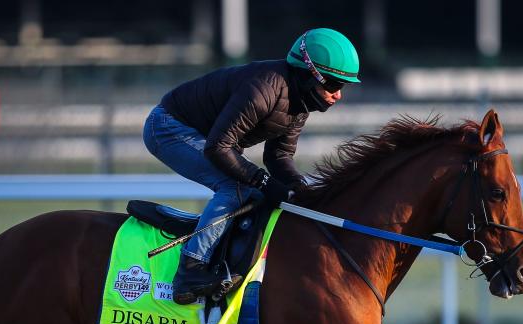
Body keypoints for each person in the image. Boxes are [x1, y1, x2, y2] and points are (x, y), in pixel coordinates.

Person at [143, 28, 360, 304]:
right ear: (309, 75)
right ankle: (191, 270)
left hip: (207, 138)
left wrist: (302, 191)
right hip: (168, 128)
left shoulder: (300, 103)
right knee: (237, 188)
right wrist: (262, 181)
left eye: (342, 87)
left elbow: (278, 157)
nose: (337, 95)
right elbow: (218, 148)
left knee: (256, 191)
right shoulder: (264, 89)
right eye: (333, 85)